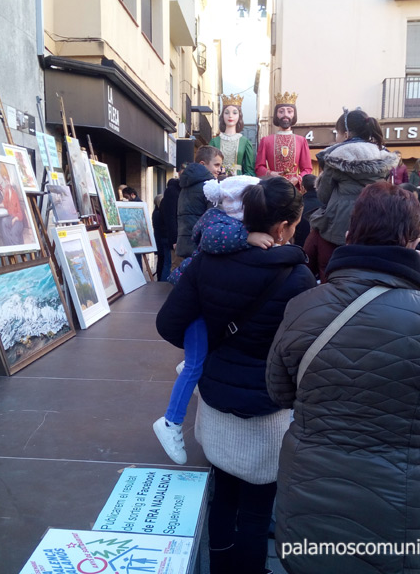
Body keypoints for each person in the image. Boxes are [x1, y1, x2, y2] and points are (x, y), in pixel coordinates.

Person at [268, 182, 420, 574]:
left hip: (314, 492)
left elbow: (278, 389)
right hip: (414, 510)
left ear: (348, 235)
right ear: (413, 242)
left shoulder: (303, 306)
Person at [156, 177, 315, 574]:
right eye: (295, 225)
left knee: (223, 496)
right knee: (259, 509)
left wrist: (207, 347)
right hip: (269, 410)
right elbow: (304, 350)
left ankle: (221, 566)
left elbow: (169, 323)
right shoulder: (297, 277)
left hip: (215, 401)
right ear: (282, 228)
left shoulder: (209, 260)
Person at [154, 176, 270, 464]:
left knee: (198, 359)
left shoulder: (226, 222)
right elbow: (213, 240)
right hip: (195, 306)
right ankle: (170, 422)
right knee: (195, 363)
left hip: (204, 304)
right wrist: (248, 237)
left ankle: (189, 370)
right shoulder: (217, 222)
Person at [306, 108, 396, 281]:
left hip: (338, 225)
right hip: (377, 222)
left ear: (346, 134)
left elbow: (323, 196)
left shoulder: (335, 158)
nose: (336, 137)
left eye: (337, 133)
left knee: (331, 271)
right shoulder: (383, 157)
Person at [254, 91, 312, 189]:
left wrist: (297, 178)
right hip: (273, 188)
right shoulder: (266, 141)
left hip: (294, 189)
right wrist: (271, 173)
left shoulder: (301, 141)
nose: (285, 115)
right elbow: (259, 168)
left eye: (289, 111)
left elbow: (307, 168)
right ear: (276, 114)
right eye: (281, 111)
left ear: (294, 114)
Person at [176, 146, 223, 260]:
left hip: (185, 244)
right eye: (216, 165)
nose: (219, 170)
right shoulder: (210, 186)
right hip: (201, 245)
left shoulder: (186, 186)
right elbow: (216, 219)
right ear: (203, 164)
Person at [209, 94, 256, 176]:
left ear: (239, 116)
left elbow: (249, 169)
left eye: (234, 113)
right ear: (222, 116)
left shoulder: (245, 142)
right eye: (227, 113)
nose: (230, 116)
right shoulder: (214, 142)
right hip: (219, 180)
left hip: (238, 181)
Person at [0, 163, 26, 246]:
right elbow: (5, 203)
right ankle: (8, 245)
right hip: (11, 217)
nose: (6, 181)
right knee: (3, 222)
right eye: (4, 179)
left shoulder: (14, 192)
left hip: (18, 220)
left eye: (7, 179)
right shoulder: (7, 190)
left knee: (13, 233)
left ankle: (16, 250)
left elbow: (20, 214)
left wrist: (15, 219)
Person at [161, 176, 181, 270]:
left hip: (182, 237)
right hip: (177, 238)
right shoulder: (172, 192)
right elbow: (170, 217)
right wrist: (174, 239)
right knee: (175, 265)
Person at [151, 194, 170, 282]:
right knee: (165, 261)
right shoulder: (160, 213)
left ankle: (160, 278)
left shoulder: (156, 212)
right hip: (162, 238)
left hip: (158, 238)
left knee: (161, 260)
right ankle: (162, 280)